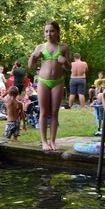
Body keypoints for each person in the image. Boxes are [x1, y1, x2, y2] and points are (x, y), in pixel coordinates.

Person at [28, 20, 69, 151]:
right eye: (46, 31)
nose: (49, 33)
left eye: (52, 31)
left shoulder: (63, 47)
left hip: (58, 81)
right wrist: (34, 56)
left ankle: (52, 141)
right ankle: (44, 141)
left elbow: (69, 68)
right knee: (44, 112)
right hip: (43, 81)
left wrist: (65, 61)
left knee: (55, 112)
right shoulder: (40, 47)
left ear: (57, 32)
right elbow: (30, 66)